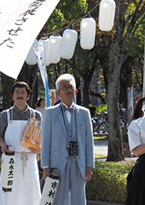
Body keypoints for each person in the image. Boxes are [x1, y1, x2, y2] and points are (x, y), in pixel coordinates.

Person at [41, 74, 94, 205]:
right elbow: (46, 141)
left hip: (78, 162)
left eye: (71, 87)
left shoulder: (84, 113)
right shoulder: (50, 113)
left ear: (76, 91)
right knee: (58, 198)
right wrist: (45, 166)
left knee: (79, 198)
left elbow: (89, 141)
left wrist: (90, 165)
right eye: (65, 87)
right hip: (57, 162)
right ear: (58, 93)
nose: (69, 90)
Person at [0, 81, 42, 205]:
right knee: (8, 194)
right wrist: (3, 145)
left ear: (28, 96)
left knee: (31, 194)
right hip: (10, 159)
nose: (20, 95)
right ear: (12, 96)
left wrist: (39, 149)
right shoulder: (6, 115)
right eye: (17, 92)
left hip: (30, 159)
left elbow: (41, 138)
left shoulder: (36, 115)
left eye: (23, 92)